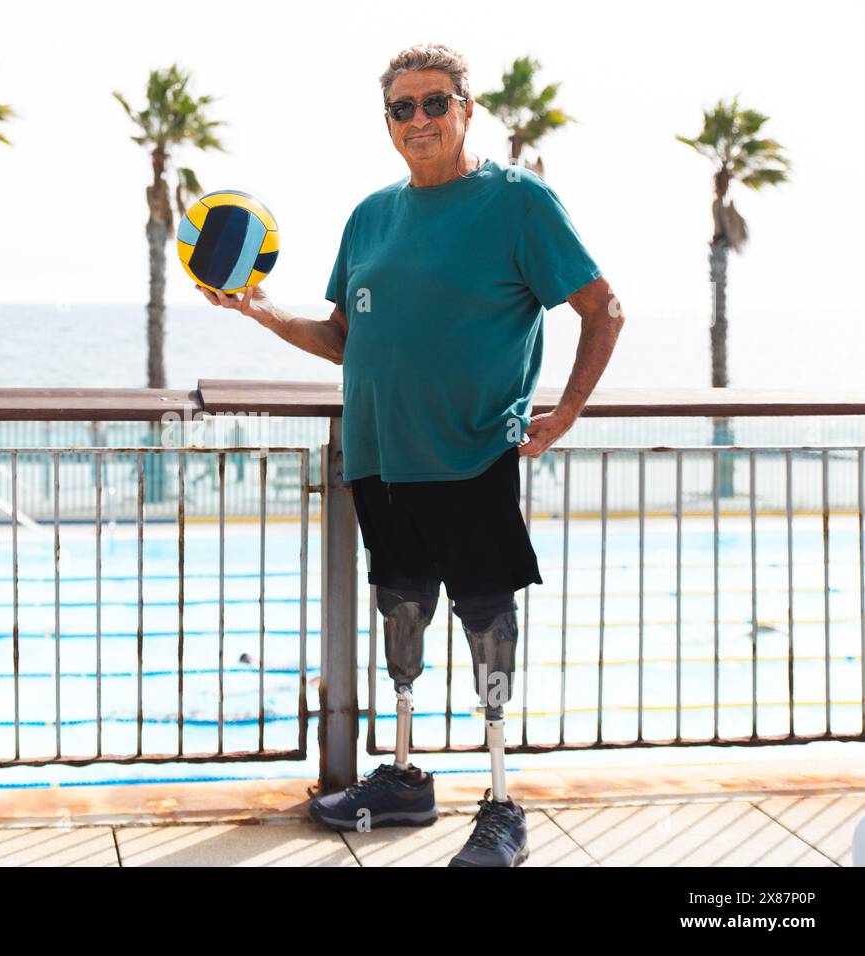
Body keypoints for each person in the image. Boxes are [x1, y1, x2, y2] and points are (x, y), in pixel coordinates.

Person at [195, 42, 625, 866]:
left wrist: (567, 410)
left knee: (487, 623)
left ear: (467, 109)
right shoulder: (370, 216)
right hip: (378, 460)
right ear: (387, 122)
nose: (419, 120)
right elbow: (347, 338)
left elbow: (603, 308)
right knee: (401, 613)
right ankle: (402, 779)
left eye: (435, 103)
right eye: (403, 108)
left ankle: (500, 804)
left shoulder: (518, 202)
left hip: (470, 458)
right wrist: (264, 314)